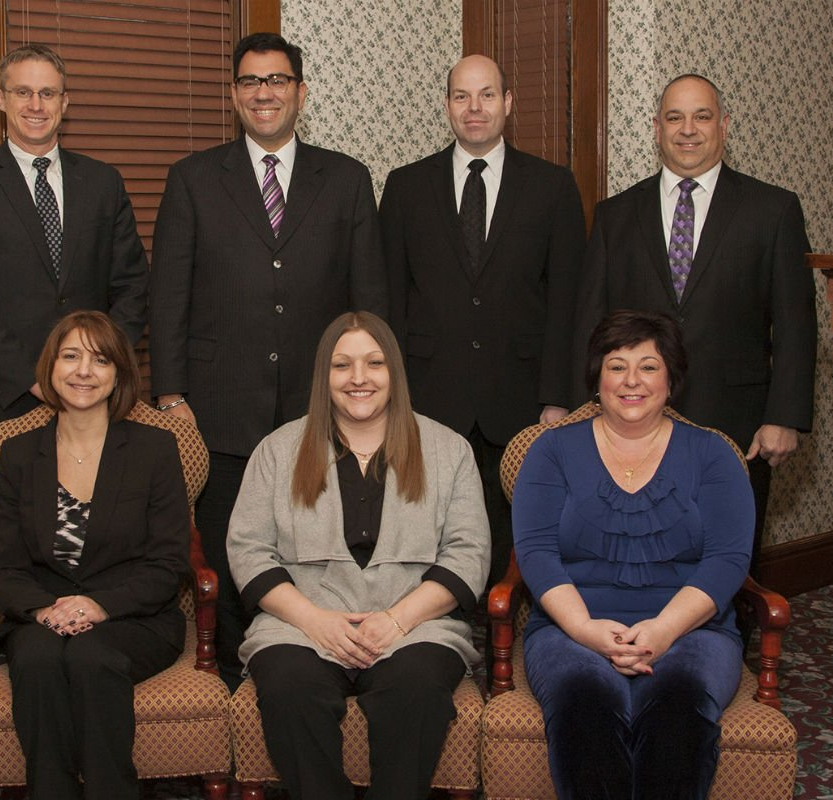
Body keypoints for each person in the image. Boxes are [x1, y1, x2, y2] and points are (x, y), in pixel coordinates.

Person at [150, 32, 387, 689]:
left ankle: (319, 666)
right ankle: (231, 674)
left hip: (325, 408)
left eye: (277, 80)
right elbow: (167, 296)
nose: (264, 92)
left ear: (300, 92)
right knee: (233, 548)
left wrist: (370, 395)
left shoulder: (345, 179)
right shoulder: (193, 179)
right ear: (233, 94)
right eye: (251, 81)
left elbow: (369, 303)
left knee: (321, 545)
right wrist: (171, 396)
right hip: (220, 408)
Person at [227, 311, 490, 800]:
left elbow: (468, 552)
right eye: (342, 365)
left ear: (395, 372)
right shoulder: (277, 450)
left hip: (416, 623)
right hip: (300, 623)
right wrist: (314, 621)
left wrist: (395, 621)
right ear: (323, 376)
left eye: (374, 363)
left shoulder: (449, 449)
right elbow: (248, 550)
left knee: (416, 690)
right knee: (289, 689)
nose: (359, 378)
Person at [570, 73, 815, 570]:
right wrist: (587, 409)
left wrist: (784, 415)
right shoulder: (616, 214)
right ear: (656, 128)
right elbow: (591, 322)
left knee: (727, 561)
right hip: (633, 423)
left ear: (723, 125)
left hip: (737, 423)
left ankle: (725, 650)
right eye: (675, 117)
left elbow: (795, 322)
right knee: (635, 554)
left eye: (702, 116)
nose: (688, 130)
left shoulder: (772, 210)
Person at [513, 310, 753, 799]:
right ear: (597, 377)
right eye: (616, 365)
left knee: (678, 703)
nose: (631, 381)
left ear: (671, 377)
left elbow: (727, 559)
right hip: (571, 628)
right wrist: (583, 630)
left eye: (648, 366)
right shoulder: (551, 451)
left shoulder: (713, 455)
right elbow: (536, 552)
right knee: (584, 702)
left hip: (692, 629)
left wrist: (663, 630)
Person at [381, 54, 586, 584]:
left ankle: (502, 634)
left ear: (508, 103)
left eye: (487, 95)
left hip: (519, 396)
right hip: (428, 392)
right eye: (462, 96)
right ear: (447, 105)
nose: (475, 109)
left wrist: (558, 397)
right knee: (424, 527)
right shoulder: (406, 187)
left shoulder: (553, 186)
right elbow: (387, 300)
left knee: (510, 534)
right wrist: (389, 395)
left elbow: (569, 300)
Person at [0, 44, 149, 532]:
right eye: (23, 92)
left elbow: (133, 284)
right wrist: (34, 378)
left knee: (99, 540)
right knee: (8, 552)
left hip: (95, 403)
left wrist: (96, 367)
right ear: (0, 99)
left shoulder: (103, 182)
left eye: (48, 92)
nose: (36, 104)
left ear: (65, 102)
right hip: (3, 403)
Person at [0, 310, 190, 800]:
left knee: (92, 659)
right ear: (49, 369)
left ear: (118, 372)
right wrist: (40, 610)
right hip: (43, 613)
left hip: (133, 615)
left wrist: (99, 606)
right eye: (70, 356)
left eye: (100, 360)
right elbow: (5, 567)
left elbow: (169, 562)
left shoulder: (156, 448)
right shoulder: (16, 453)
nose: (83, 372)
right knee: (35, 659)